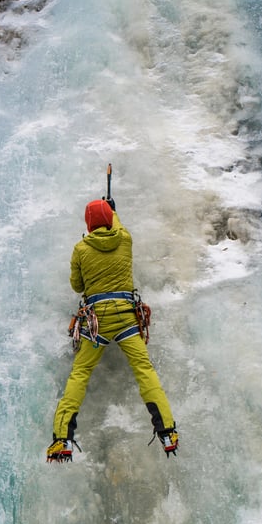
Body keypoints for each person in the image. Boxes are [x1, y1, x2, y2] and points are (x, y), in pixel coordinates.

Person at [46, 198, 179, 462]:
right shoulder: (125, 239)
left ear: (88, 223)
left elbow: (76, 285)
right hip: (127, 318)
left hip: (97, 322)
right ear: (110, 219)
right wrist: (114, 211)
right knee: (145, 371)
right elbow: (116, 226)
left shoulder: (81, 249)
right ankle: (167, 431)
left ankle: (63, 438)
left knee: (80, 373)